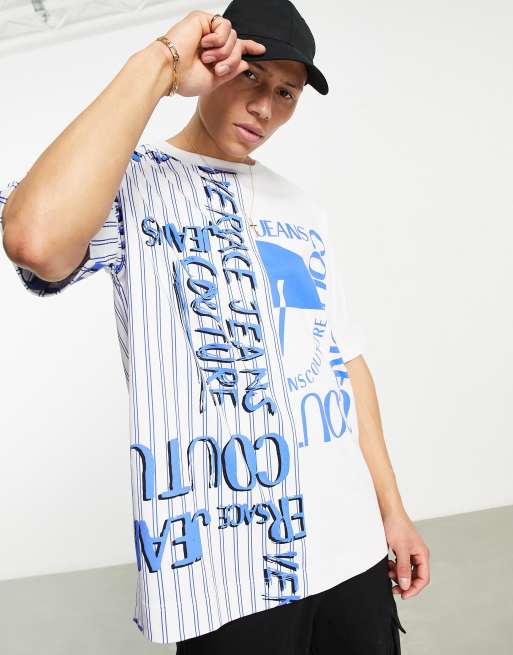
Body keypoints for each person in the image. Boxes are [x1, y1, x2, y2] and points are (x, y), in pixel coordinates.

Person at [0, 0, 430, 652]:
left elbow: (346, 362)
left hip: (352, 549)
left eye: (285, 93)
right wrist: (161, 63)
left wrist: (391, 513)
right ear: (212, 63)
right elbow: (34, 238)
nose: (265, 106)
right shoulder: (134, 182)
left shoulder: (300, 208)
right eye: (251, 75)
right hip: (229, 570)